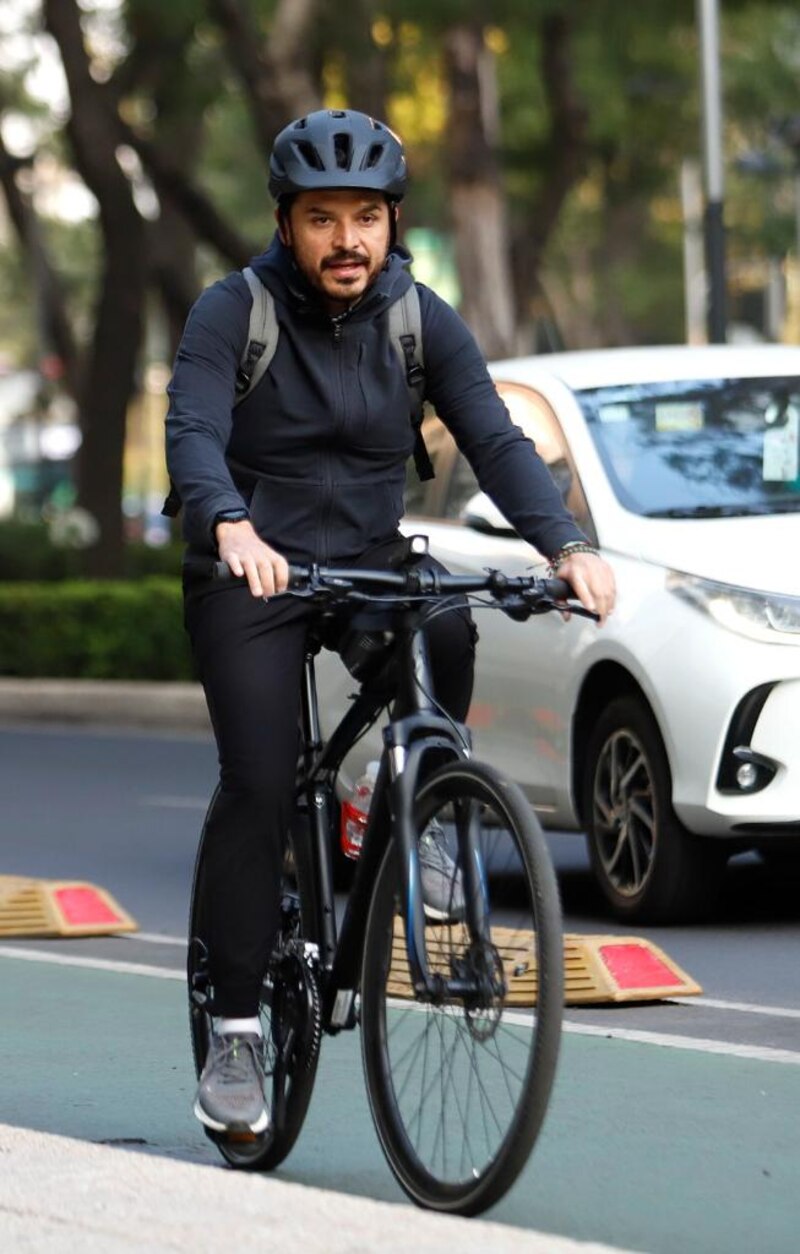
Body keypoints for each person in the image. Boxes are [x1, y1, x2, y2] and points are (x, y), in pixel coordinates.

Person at [165, 108, 616, 1138]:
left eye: (363, 217)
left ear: (390, 220)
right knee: (259, 777)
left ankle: (401, 797)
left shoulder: (422, 318)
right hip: (252, 570)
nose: (345, 241)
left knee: (449, 626)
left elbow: (494, 440)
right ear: (287, 225)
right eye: (321, 219)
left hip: (365, 558)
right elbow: (190, 426)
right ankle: (236, 1030)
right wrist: (229, 522)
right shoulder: (229, 312)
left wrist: (565, 546)